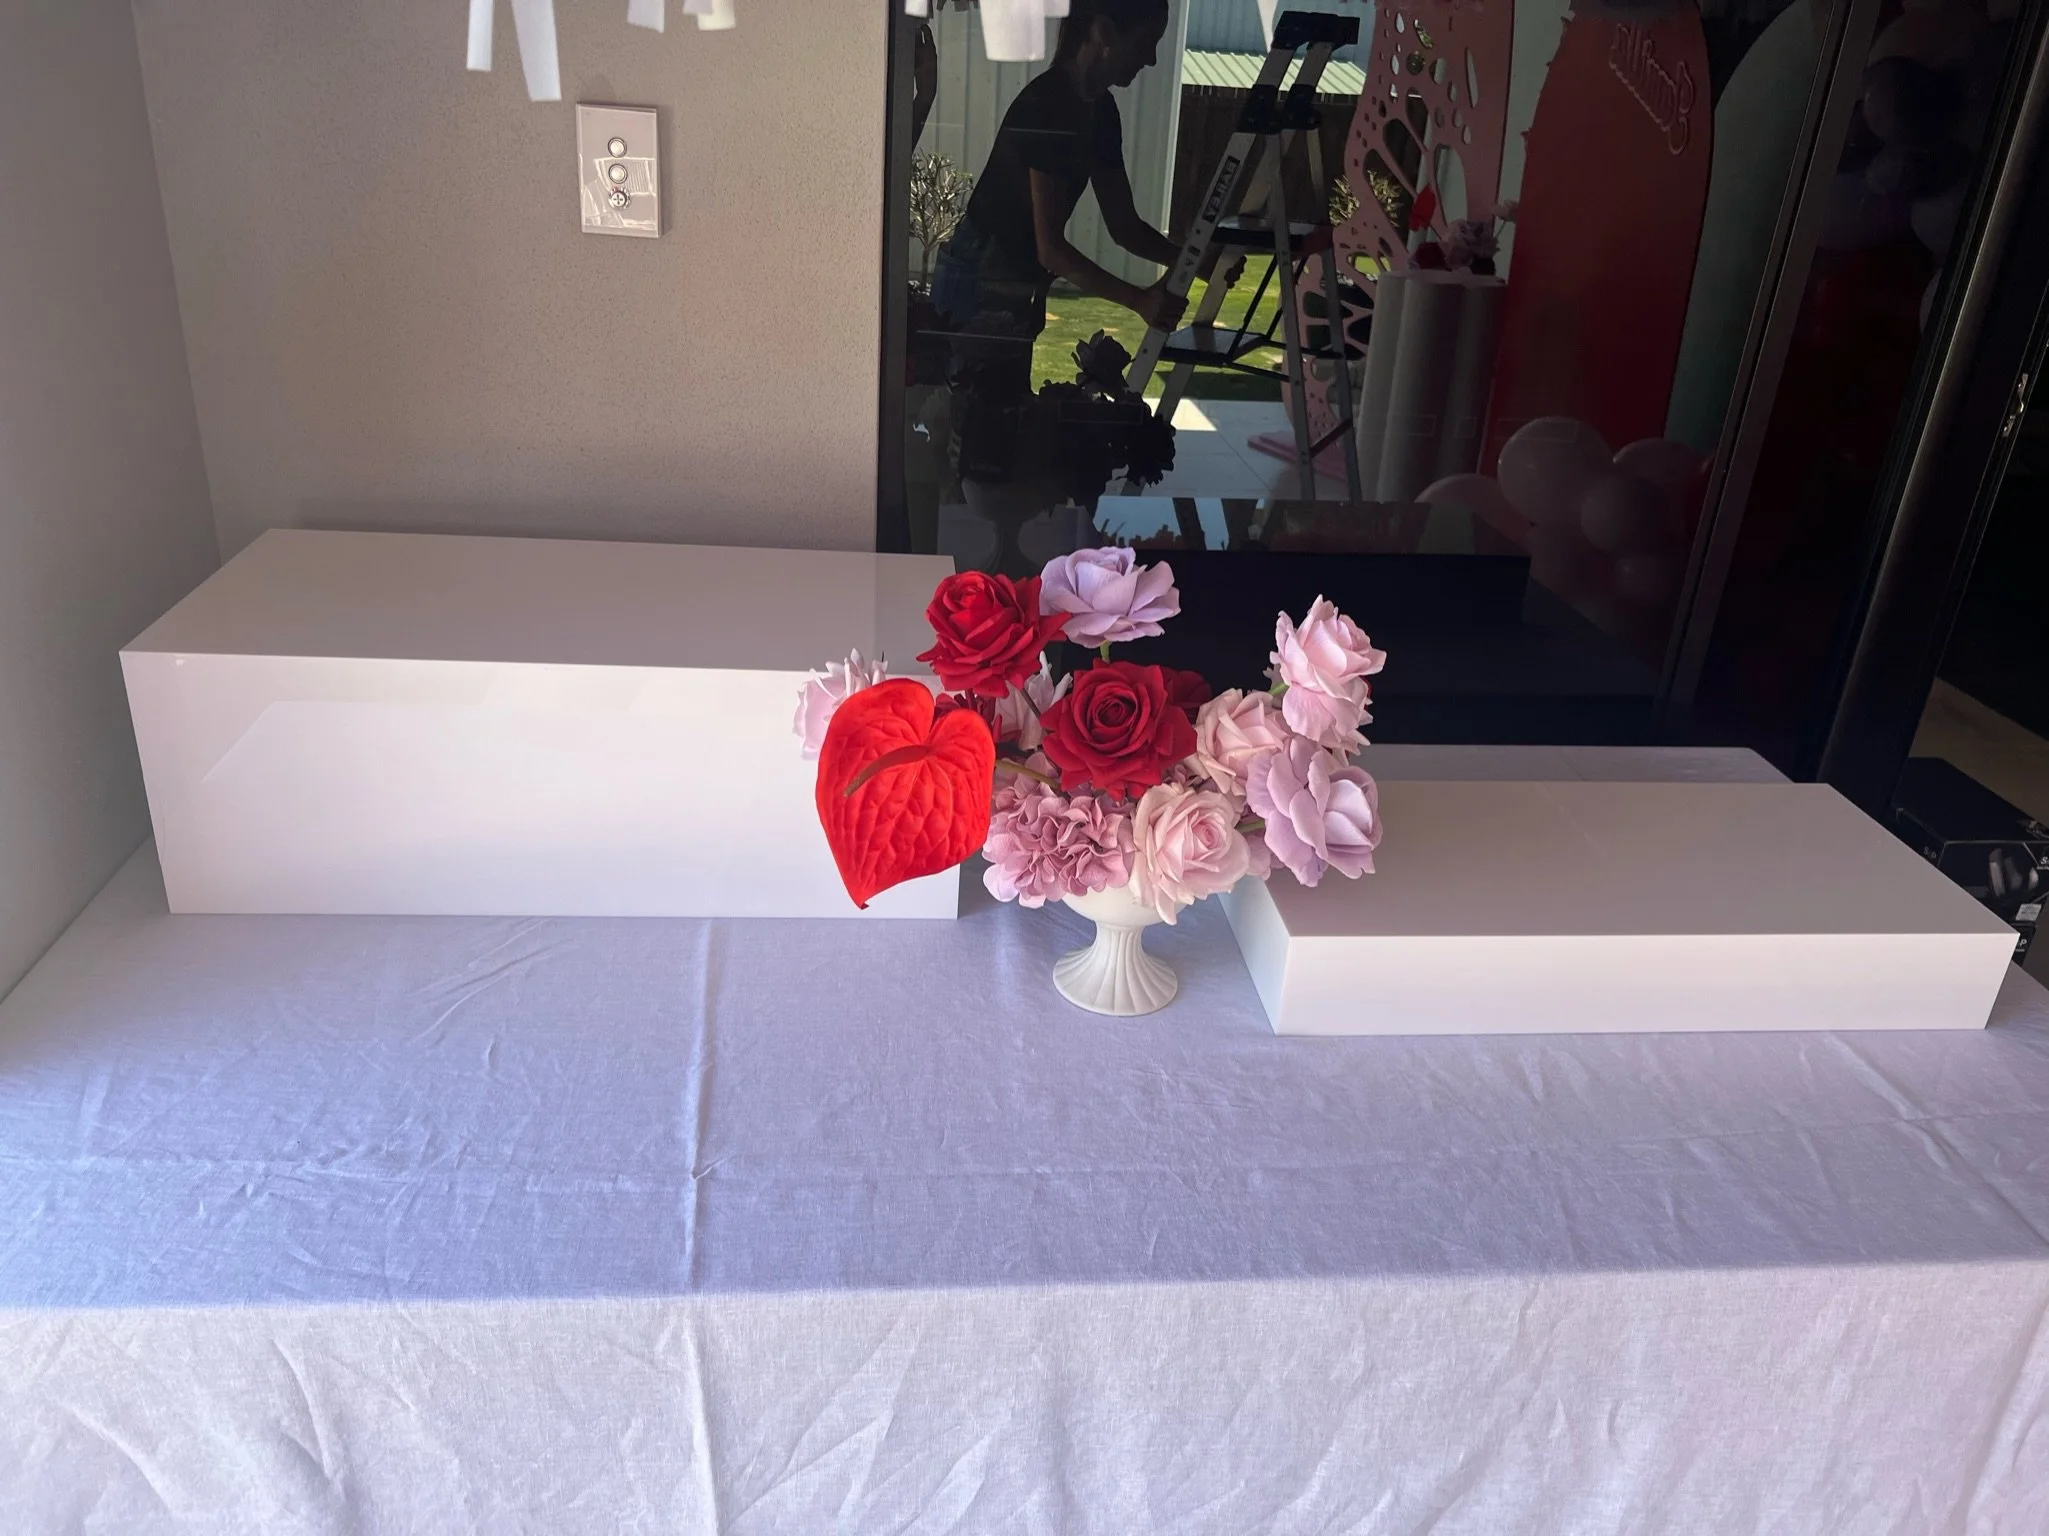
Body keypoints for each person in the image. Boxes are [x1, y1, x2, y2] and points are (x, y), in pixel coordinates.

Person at [930, 0, 1183, 479]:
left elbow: (1123, 225)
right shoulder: (1048, 106)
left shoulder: (1100, 112)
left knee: (997, 443)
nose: (1150, 59)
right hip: (981, 276)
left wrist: (1194, 260)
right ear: (1104, 31)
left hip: (1012, 279)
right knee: (973, 448)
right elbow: (1051, 247)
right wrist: (1138, 299)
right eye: (1146, 43)